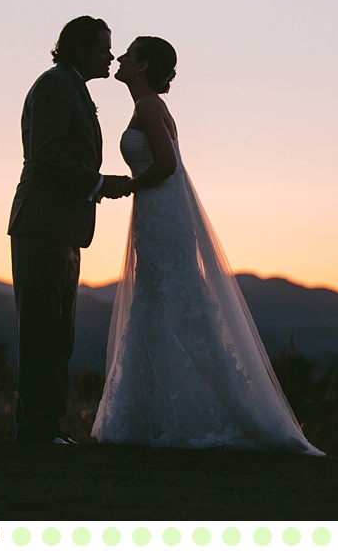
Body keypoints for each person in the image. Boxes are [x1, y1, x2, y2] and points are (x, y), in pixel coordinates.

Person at [92, 36, 323, 455]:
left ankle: (189, 415)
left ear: (142, 66)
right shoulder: (148, 107)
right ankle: (153, 414)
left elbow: (166, 165)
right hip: (158, 212)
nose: (120, 60)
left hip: (160, 211)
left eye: (127, 55)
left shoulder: (147, 107)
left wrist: (127, 185)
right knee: (159, 301)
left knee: (166, 300)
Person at [8, 16, 133, 444]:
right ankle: (36, 429)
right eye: (103, 49)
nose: (110, 57)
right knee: (42, 328)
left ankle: (48, 426)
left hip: (63, 226)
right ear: (80, 50)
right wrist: (98, 184)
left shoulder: (72, 87)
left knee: (59, 330)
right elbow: (43, 152)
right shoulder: (55, 85)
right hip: (42, 223)